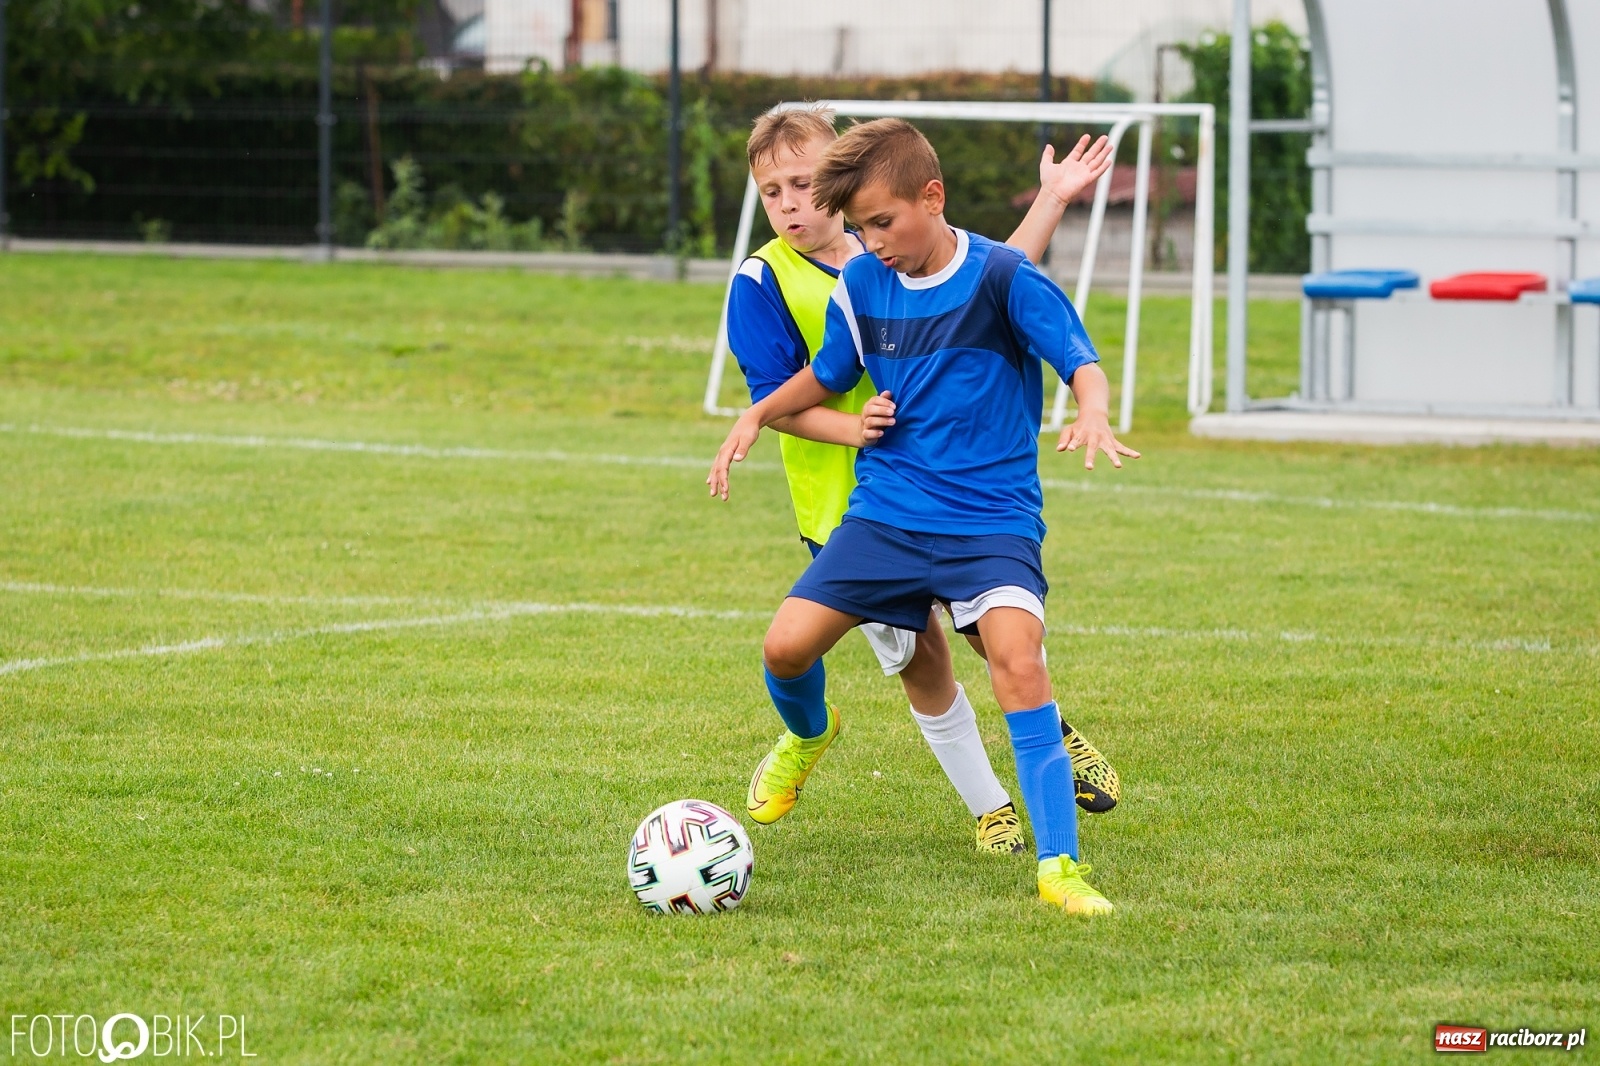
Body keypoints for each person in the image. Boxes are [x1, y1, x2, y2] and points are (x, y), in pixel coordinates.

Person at [709, 117, 1140, 914]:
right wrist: (756, 414)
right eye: (862, 226)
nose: (869, 241)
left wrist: (1096, 412)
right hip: (886, 517)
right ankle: (809, 734)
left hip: (989, 520)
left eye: (880, 223)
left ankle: (1059, 870)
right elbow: (829, 372)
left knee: (1017, 660)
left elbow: (1079, 359)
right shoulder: (859, 284)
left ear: (931, 197)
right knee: (784, 649)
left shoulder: (1005, 275)